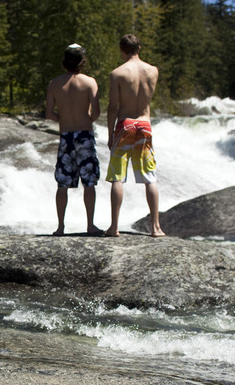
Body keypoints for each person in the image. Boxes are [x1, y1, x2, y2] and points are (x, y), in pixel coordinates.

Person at [105, 34, 165, 237]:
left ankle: (114, 227)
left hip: (125, 124)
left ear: (122, 50)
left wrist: (110, 134)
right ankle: (156, 227)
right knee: (150, 177)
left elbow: (112, 108)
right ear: (139, 48)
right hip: (144, 124)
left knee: (117, 178)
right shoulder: (153, 71)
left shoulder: (117, 74)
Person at [46, 43, 102, 236]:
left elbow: (49, 114)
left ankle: (60, 227)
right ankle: (90, 225)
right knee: (89, 182)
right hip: (84, 134)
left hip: (66, 135)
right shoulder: (89, 82)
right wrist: (86, 120)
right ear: (82, 61)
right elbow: (96, 112)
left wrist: (63, 119)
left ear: (65, 62)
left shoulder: (54, 83)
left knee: (62, 183)